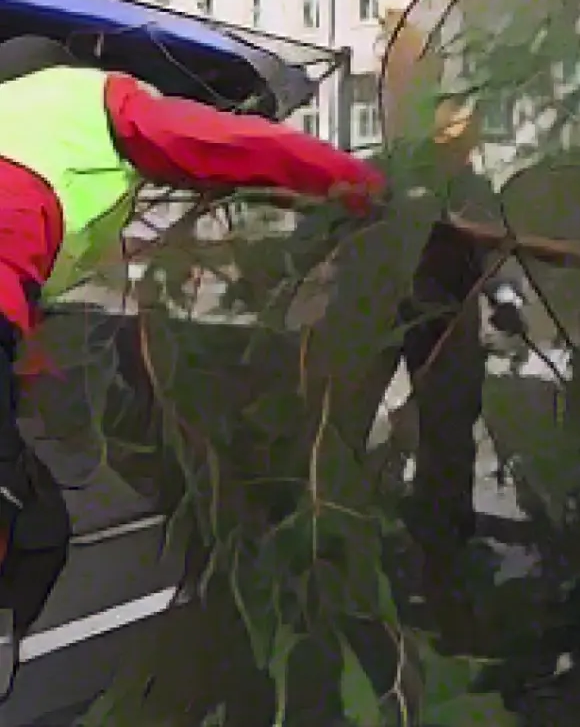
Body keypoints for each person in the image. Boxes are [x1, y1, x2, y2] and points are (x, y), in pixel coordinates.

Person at [0, 36, 385, 689]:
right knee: (25, 527)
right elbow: (235, 144)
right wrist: (362, 185)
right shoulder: (87, 101)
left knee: (36, 528)